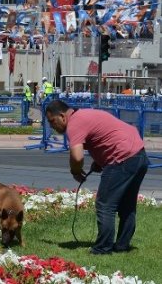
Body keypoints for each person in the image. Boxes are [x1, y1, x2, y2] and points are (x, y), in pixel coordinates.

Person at [45, 100, 149, 255]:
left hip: (122, 159)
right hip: (139, 155)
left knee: (105, 205)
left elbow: (77, 156)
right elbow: (106, 137)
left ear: (62, 116)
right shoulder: (87, 114)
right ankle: (121, 246)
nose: (52, 126)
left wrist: (75, 171)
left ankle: (102, 248)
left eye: (52, 121)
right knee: (127, 206)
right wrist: (99, 162)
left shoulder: (74, 123)